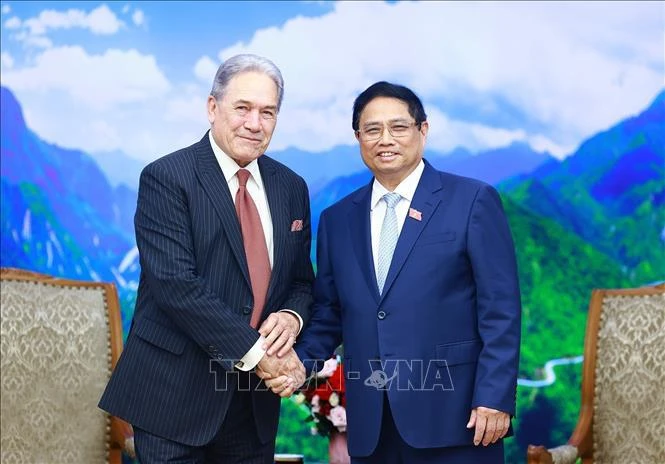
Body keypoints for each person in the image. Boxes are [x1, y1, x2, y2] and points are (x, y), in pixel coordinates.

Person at [266, 81, 521, 463]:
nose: (385, 139)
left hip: (459, 419)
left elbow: (500, 309)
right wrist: (299, 365)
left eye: (398, 127)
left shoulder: (472, 201)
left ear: (423, 130)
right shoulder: (337, 220)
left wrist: (494, 397)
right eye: (372, 129)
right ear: (358, 138)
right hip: (372, 426)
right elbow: (329, 312)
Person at [99, 54, 313, 463]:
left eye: (268, 112)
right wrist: (259, 356)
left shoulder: (291, 187)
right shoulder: (167, 177)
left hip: (252, 408)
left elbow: (301, 281)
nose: (255, 123)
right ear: (213, 108)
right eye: (243, 108)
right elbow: (177, 286)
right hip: (174, 399)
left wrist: (291, 315)